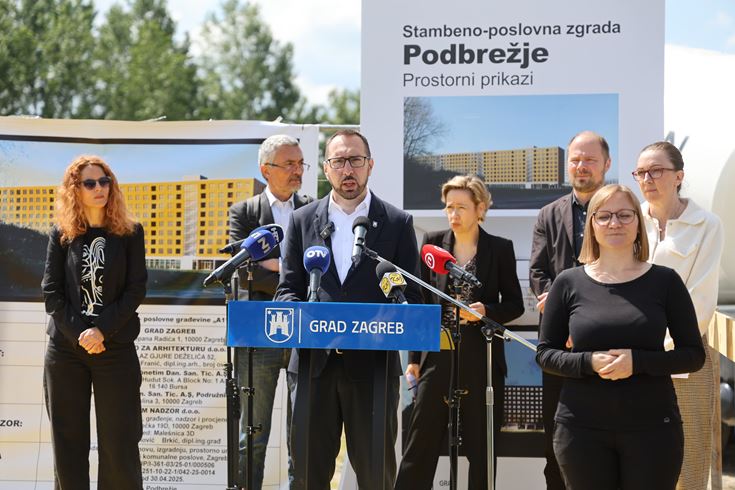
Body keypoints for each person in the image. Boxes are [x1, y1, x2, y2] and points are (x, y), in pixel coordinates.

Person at [275, 129, 422, 489]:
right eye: (339, 161)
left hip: (373, 369)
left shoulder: (397, 223)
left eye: (355, 160)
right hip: (313, 367)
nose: (348, 169)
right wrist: (305, 318)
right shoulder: (301, 220)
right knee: (307, 476)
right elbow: (286, 291)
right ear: (326, 169)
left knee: (375, 477)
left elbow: (413, 298)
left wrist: (380, 322)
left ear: (370, 165)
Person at [536, 184, 705, 490]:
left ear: (638, 223)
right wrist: (589, 362)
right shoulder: (567, 283)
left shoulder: (665, 281)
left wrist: (636, 362)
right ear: (592, 225)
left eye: (625, 215)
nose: (615, 223)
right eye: (604, 216)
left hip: (653, 430)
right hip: (581, 431)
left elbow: (693, 355)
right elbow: (546, 354)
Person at [395, 175, 524, 489]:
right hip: (437, 355)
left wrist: (485, 311)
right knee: (420, 442)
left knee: (482, 448)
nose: (453, 214)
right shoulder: (432, 244)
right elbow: (421, 304)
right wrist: (414, 360)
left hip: (482, 359)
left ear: (480, 208)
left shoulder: (500, 248)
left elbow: (516, 304)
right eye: (449, 207)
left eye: (461, 207)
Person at [41, 155, 147, 489]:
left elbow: (135, 290)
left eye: (104, 181)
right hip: (66, 350)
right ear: (75, 189)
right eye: (90, 183)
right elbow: (52, 292)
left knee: (120, 442)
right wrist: (82, 333)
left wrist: (101, 330)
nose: (99, 188)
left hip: (115, 349)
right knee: (68, 442)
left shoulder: (130, 233)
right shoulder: (62, 233)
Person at [633, 141, 724, 490]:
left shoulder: (706, 225)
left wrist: (659, 351)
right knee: (640, 456)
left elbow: (700, 300)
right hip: (633, 356)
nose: (647, 179)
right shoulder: (629, 220)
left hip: (685, 356)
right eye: (641, 172)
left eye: (656, 170)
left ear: (679, 176)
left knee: (688, 458)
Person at [228, 134, 314, 488]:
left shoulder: (313, 207)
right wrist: (291, 270)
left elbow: (319, 270)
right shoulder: (245, 212)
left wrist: (274, 265)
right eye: (289, 164)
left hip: (304, 333)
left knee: (303, 435)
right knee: (252, 434)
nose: (298, 171)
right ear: (266, 170)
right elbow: (244, 271)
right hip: (258, 334)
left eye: (301, 163)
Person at [529, 130, 611, 489]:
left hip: (610, 339)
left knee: (607, 439)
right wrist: (561, 314)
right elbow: (537, 272)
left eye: (590, 159)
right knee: (559, 439)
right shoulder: (548, 214)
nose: (581, 166)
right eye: (576, 159)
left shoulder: (622, 211)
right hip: (560, 345)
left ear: (606, 164)